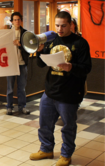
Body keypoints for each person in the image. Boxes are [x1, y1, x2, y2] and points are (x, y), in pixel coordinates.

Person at [30, 11, 92, 166]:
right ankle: (46, 149)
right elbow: (41, 64)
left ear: (71, 24)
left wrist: (71, 67)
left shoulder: (80, 43)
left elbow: (86, 68)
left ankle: (66, 154)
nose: (60, 28)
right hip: (50, 91)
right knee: (44, 124)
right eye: (57, 25)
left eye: (63, 25)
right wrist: (39, 52)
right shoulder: (51, 41)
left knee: (68, 127)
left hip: (70, 93)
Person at [6, 12, 30, 115]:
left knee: (22, 87)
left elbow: (28, 49)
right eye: (15, 20)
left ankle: (22, 106)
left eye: (19, 19)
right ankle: (9, 107)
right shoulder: (7, 33)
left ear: (21, 21)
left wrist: (19, 45)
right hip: (10, 64)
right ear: (11, 21)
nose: (17, 21)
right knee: (10, 88)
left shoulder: (25, 33)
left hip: (22, 63)